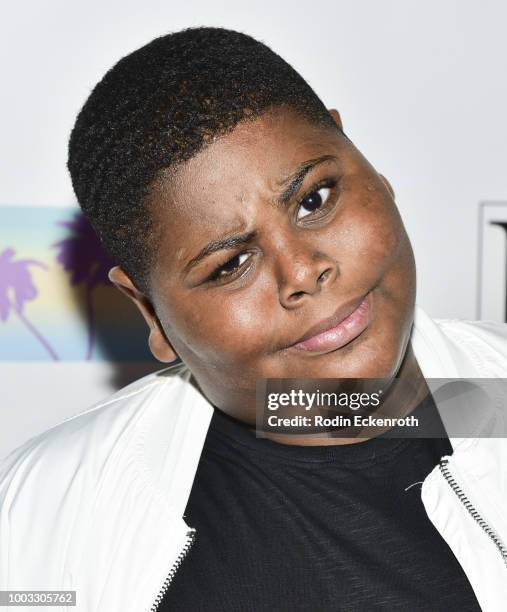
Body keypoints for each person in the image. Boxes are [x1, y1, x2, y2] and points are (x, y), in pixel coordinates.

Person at [1, 25, 507, 612]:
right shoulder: (43, 515)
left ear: (366, 162)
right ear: (150, 313)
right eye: (230, 264)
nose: (302, 271)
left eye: (314, 199)